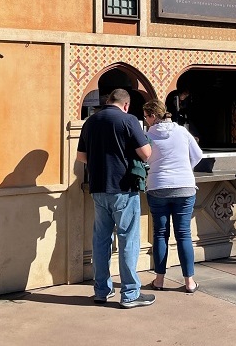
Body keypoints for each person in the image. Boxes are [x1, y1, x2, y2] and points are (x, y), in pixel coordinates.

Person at [77, 88, 156, 308]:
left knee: (101, 240)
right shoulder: (128, 120)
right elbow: (146, 153)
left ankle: (101, 290)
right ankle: (130, 294)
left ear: (108, 101)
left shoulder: (90, 122)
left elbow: (81, 156)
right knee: (128, 239)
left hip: (98, 188)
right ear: (126, 104)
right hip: (123, 187)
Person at [142, 98, 204, 293]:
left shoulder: (148, 135)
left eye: (146, 117)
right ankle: (189, 282)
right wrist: (184, 169)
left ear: (153, 116)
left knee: (160, 233)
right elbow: (198, 155)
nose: (146, 120)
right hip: (184, 186)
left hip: (158, 186)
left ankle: (159, 280)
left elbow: (144, 159)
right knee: (183, 233)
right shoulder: (182, 131)